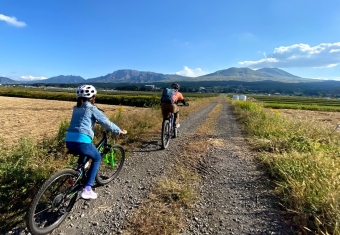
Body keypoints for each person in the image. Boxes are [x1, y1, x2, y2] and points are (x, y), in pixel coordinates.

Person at [65, 84, 127, 200]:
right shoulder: (92, 108)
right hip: (81, 141)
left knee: (85, 152)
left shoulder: (76, 108)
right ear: (92, 98)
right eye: (94, 96)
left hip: (69, 139)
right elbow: (106, 123)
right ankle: (87, 189)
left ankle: (77, 172)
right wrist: (119, 131)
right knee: (97, 158)